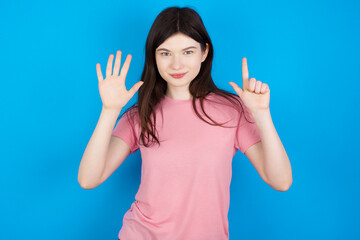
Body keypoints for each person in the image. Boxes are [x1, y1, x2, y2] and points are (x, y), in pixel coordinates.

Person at [78, 6, 292, 240]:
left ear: (204, 52)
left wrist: (262, 115)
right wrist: (109, 111)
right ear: (154, 57)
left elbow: (281, 181)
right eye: (165, 53)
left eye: (188, 52)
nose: (176, 65)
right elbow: (89, 179)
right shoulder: (140, 114)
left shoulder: (232, 111)